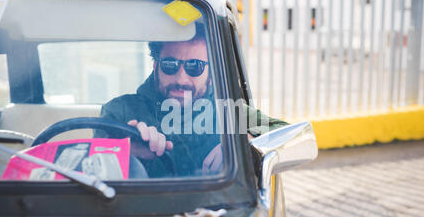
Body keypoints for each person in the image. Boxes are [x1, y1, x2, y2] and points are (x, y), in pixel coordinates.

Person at [95, 23, 288, 177]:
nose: (181, 79)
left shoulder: (229, 111)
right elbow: (92, 166)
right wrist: (126, 151)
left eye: (194, 67)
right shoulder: (119, 111)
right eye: (170, 65)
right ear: (156, 67)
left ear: (210, 74)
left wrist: (243, 145)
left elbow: (285, 134)